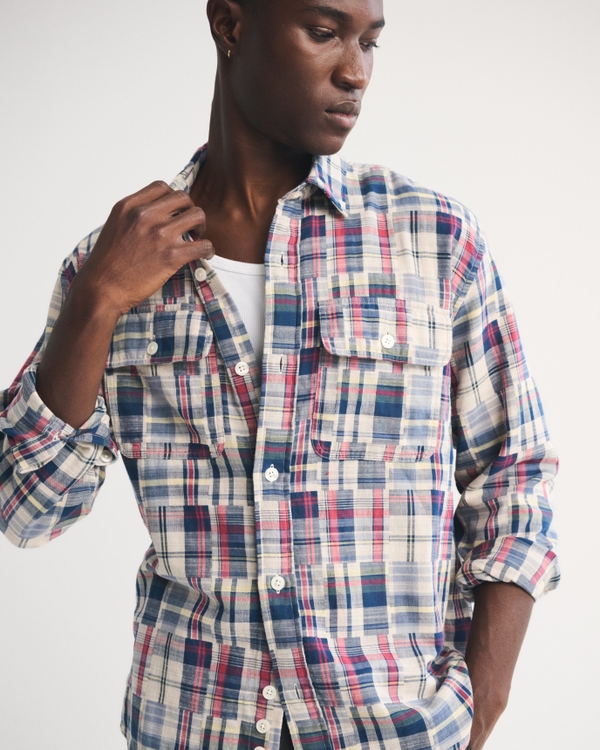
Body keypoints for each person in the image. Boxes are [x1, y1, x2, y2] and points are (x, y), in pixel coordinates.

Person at [0, 1, 559, 749]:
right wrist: (96, 300)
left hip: (393, 732)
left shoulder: (432, 241)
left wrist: (478, 709)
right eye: (324, 33)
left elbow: (513, 477)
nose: (356, 72)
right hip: (190, 726)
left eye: (369, 42)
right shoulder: (110, 264)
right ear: (230, 24)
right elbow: (29, 511)